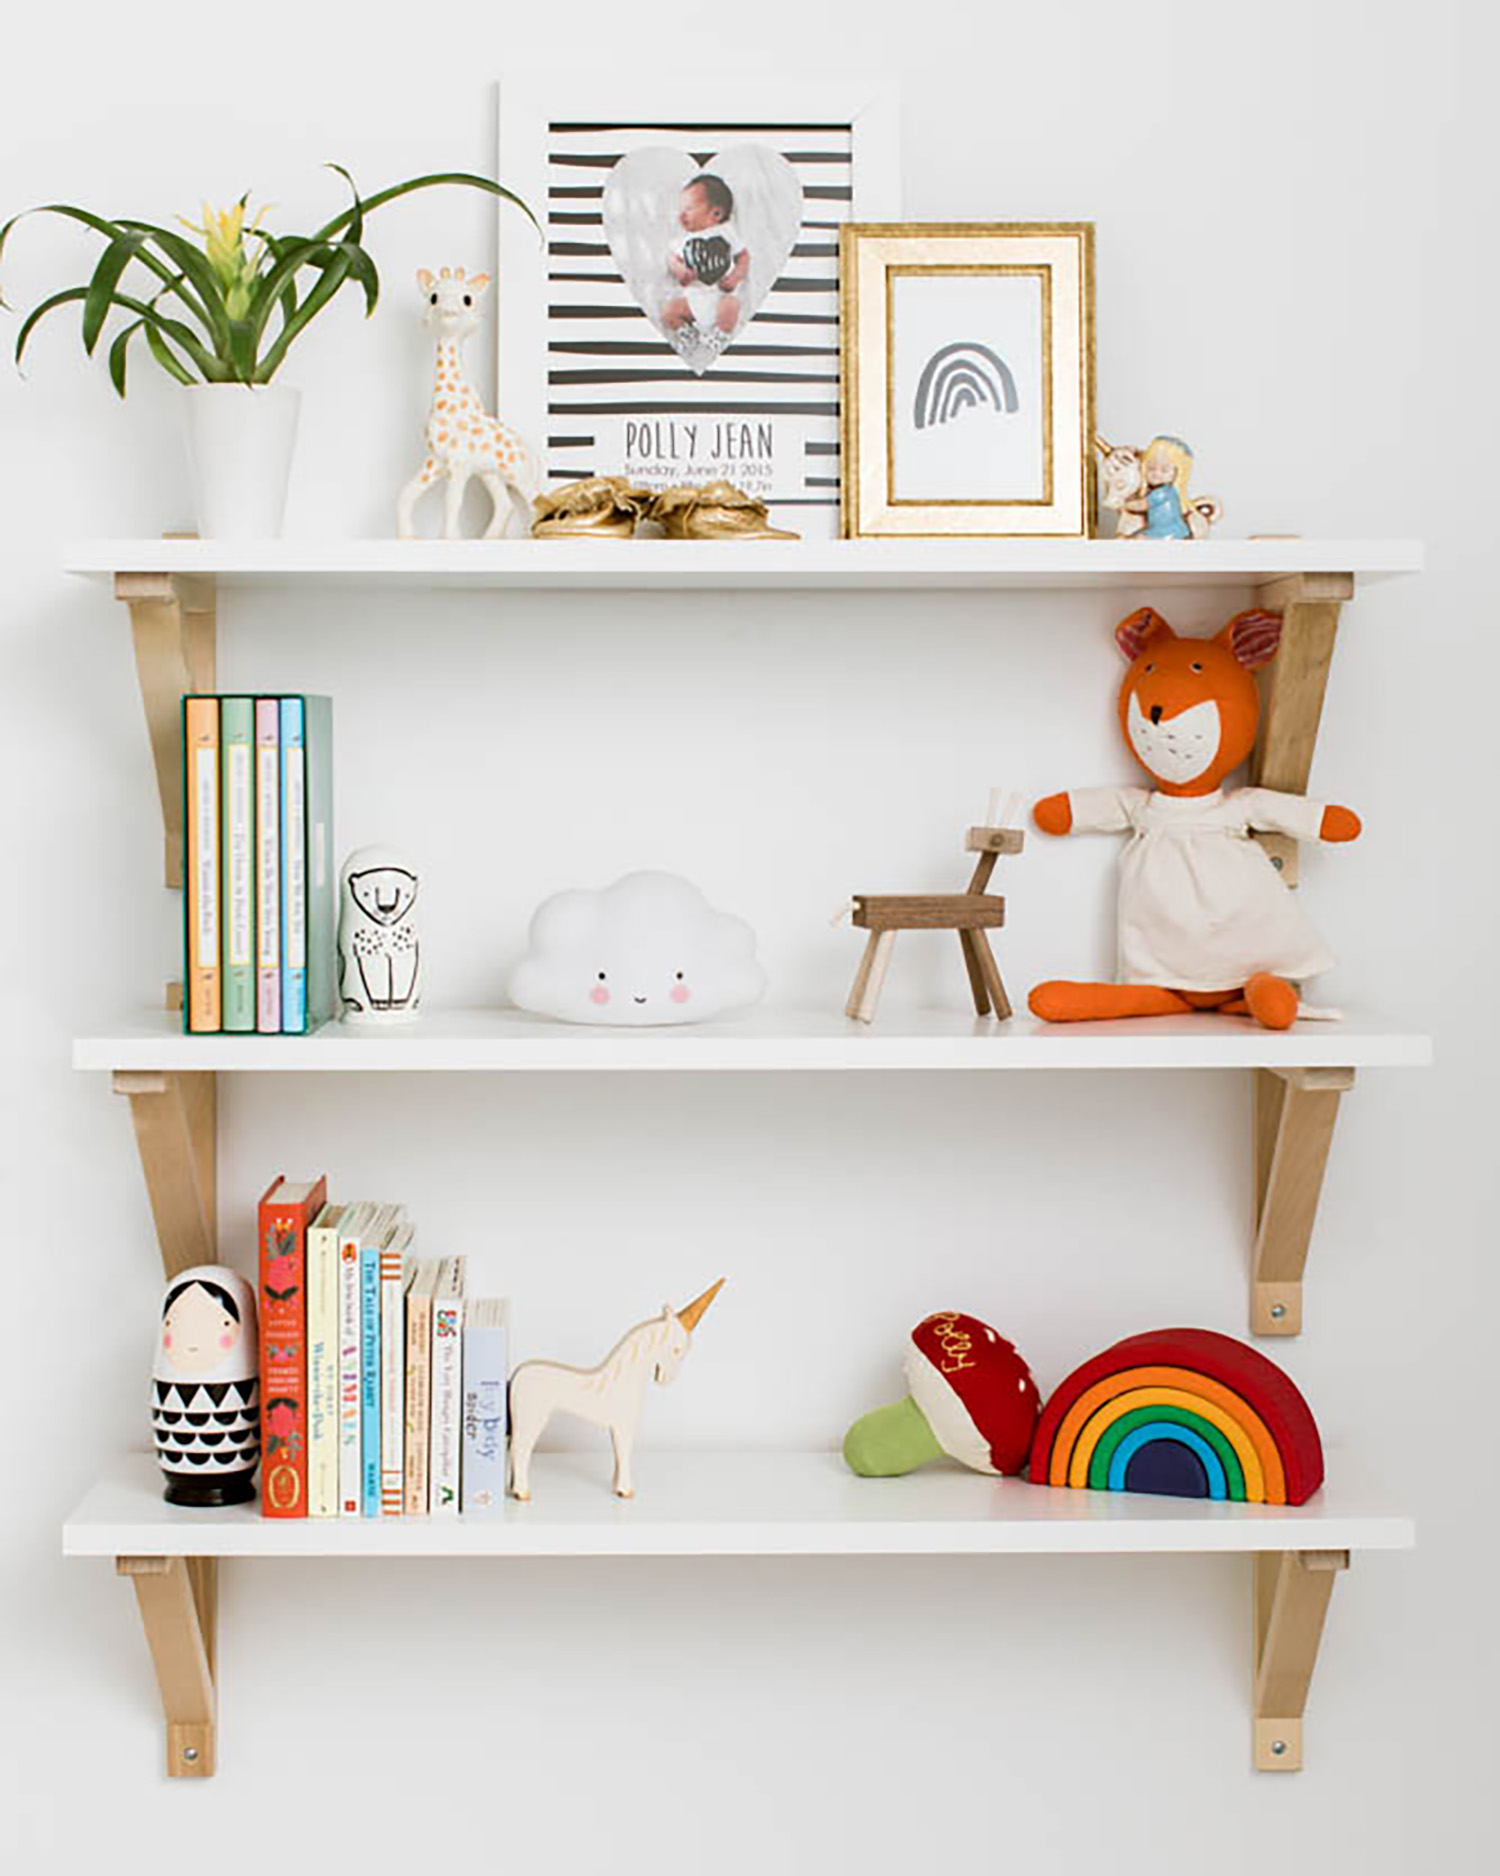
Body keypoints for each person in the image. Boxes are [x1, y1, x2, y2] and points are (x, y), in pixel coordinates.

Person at [662, 173, 748, 343]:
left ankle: (719, 336)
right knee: (669, 310)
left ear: (715, 213)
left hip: (720, 295)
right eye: (680, 210)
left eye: (689, 209)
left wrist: (735, 277)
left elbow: (744, 256)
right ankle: (687, 334)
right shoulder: (682, 240)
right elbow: (671, 258)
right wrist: (681, 271)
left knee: (732, 305)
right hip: (693, 298)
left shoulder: (726, 232)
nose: (681, 215)